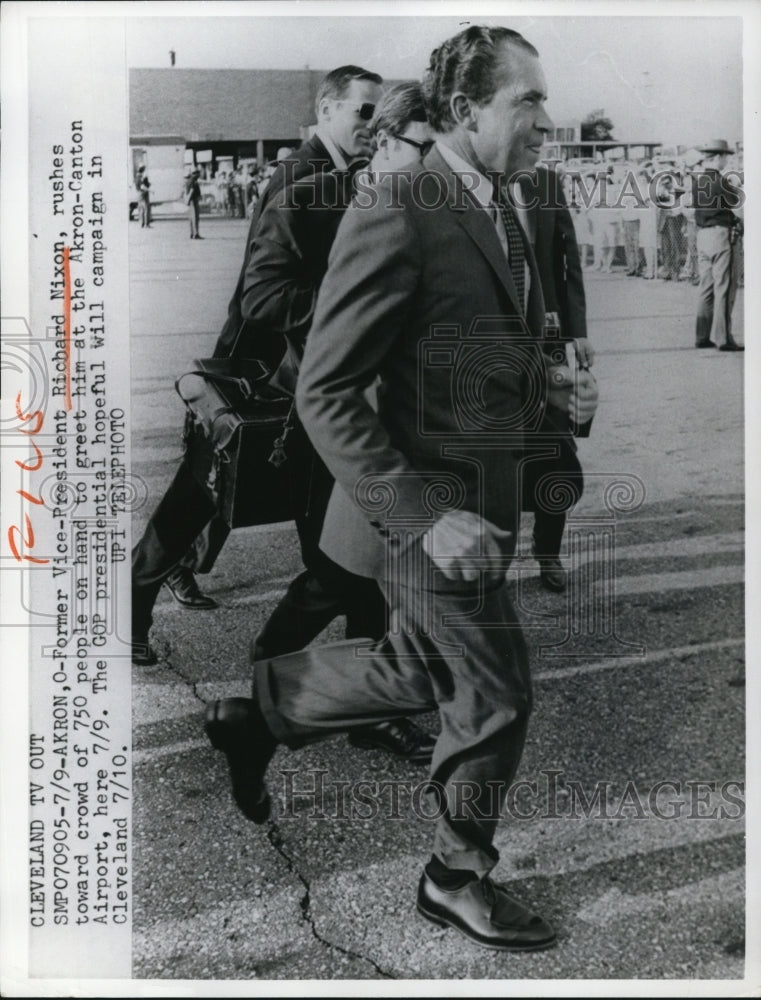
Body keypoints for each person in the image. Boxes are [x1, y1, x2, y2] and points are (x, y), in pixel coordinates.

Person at [205, 26, 598, 951]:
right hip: (424, 516)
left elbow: (466, 349)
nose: (547, 121)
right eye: (527, 101)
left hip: (479, 504)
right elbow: (326, 391)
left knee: (417, 672)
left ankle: (258, 716)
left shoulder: (500, 200)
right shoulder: (397, 205)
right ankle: (452, 876)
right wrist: (423, 517)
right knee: (496, 694)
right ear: (464, 109)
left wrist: (551, 394)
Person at [132, 67, 433, 762]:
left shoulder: (366, 183)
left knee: (343, 555)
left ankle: (357, 706)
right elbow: (261, 294)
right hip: (266, 377)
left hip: (319, 391)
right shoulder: (299, 180)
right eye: (362, 111)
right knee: (196, 505)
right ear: (326, 108)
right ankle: (138, 610)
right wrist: (343, 314)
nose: (370, 125)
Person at [516, 164, 592, 592]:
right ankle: (491, 555)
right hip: (491, 339)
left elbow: (568, 258)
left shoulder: (545, 182)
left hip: (549, 337)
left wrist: (577, 330)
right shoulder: (469, 181)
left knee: (557, 445)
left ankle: (548, 551)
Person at [693, 139, 744, 351]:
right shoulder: (721, 182)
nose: (726, 161)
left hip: (703, 234)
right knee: (724, 287)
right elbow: (737, 207)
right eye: (725, 157)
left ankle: (702, 336)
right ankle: (724, 339)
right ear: (718, 157)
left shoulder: (698, 182)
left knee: (706, 288)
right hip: (721, 234)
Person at [185, 169, 202, 239]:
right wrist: (188, 200)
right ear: (195, 174)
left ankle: (192, 233)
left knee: (191, 218)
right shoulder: (194, 181)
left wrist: (187, 201)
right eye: (198, 173)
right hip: (193, 201)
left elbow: (186, 192)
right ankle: (196, 234)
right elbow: (191, 191)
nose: (199, 175)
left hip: (191, 201)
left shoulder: (188, 181)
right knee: (195, 218)